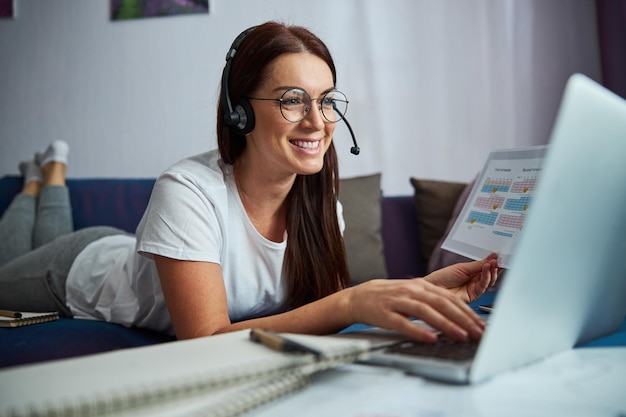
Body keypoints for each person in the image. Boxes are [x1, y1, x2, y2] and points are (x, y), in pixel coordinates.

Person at [0, 22, 499, 344]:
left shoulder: (322, 202)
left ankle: (44, 179)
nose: (317, 121)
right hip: (73, 272)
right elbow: (206, 337)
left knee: (41, 229)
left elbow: (320, 311)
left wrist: (421, 290)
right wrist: (353, 300)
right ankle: (39, 182)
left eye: (326, 100)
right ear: (240, 113)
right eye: (291, 100)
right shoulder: (186, 189)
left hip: (120, 249)